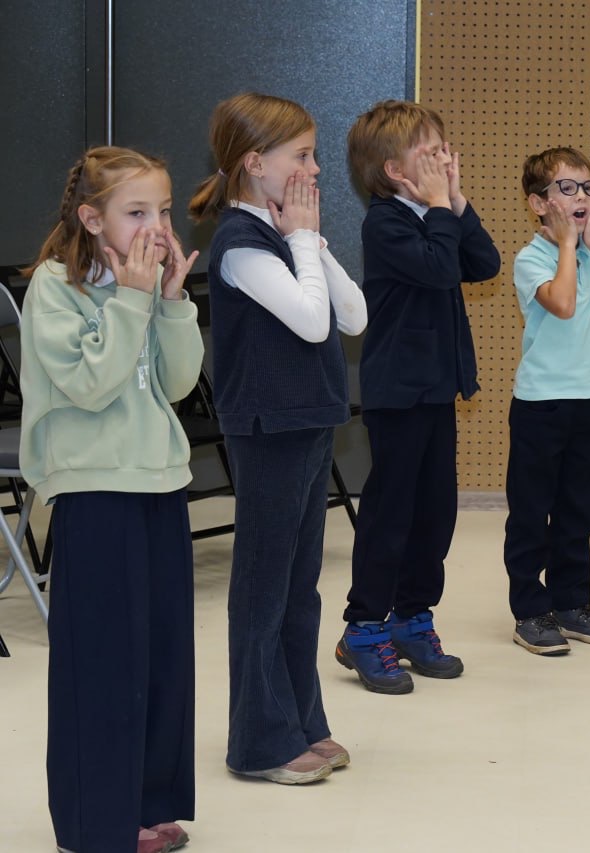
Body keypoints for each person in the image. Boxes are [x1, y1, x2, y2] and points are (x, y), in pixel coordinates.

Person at [21, 146, 202, 853]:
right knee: (101, 665)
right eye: (136, 213)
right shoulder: (54, 291)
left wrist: (171, 303)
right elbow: (91, 386)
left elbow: (178, 383)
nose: (155, 227)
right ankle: (97, 820)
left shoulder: (145, 281)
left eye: (161, 210)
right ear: (92, 218)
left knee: (160, 660)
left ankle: (146, 799)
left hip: (160, 483)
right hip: (95, 493)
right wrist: (130, 301)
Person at [189, 92, 367, 784]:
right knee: (263, 586)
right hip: (267, 430)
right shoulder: (238, 245)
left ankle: (301, 721)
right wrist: (298, 241)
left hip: (309, 424)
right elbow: (309, 320)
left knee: (300, 587)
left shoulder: (287, 234)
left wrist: (312, 240)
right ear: (255, 163)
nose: (316, 169)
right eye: (302, 156)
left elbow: (351, 314)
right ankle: (260, 741)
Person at [335, 100, 500, 693]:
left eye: (442, 147)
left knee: (435, 512)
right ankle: (363, 627)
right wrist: (437, 208)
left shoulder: (436, 214)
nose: (441, 158)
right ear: (391, 170)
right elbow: (436, 269)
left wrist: (454, 202)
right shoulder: (385, 221)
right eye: (427, 152)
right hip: (398, 392)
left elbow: (482, 263)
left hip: (436, 388)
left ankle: (411, 616)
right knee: (392, 512)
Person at [504, 147, 590, 655]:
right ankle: (530, 610)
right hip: (542, 403)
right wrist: (568, 245)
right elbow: (561, 304)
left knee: (575, 510)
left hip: (589, 401)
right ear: (538, 204)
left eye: (588, 187)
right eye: (567, 188)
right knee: (531, 511)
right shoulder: (532, 257)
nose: (581, 195)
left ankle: (571, 603)